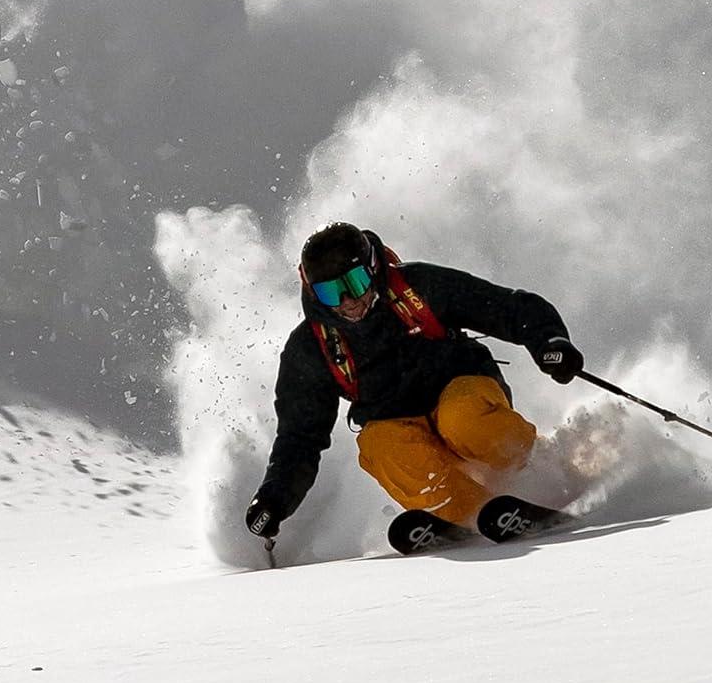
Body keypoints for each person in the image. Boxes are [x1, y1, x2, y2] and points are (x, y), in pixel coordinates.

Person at [245, 222, 583, 543]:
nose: (347, 300)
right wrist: (274, 498)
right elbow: (300, 436)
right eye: (330, 292)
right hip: (399, 422)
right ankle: (468, 514)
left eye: (355, 283)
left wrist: (549, 343)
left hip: (462, 391)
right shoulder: (312, 348)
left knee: (461, 418)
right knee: (379, 447)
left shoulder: (417, 287)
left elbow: (507, 308)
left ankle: (541, 475)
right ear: (312, 291)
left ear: (372, 268)